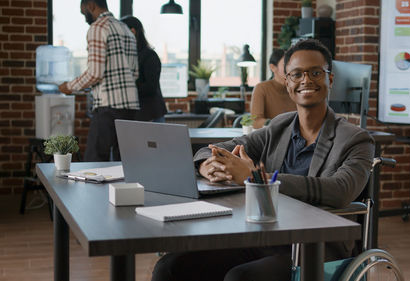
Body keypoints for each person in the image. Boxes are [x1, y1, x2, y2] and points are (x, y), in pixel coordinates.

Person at [151, 39, 375, 281]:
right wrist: (207, 165)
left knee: (242, 278)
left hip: (315, 245)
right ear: (287, 82)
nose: (306, 80)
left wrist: (257, 179)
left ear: (330, 79)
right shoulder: (280, 126)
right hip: (268, 234)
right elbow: (212, 150)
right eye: (296, 74)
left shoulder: (356, 139)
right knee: (170, 267)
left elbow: (340, 190)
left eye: (316, 73)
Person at [58, 0, 139, 162]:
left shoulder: (97, 28)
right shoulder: (125, 29)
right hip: (130, 107)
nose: (84, 17)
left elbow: (95, 73)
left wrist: (69, 87)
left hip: (108, 107)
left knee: (93, 163)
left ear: (91, 5)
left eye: (83, 12)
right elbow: (135, 73)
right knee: (124, 164)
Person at [121, 16, 168, 123]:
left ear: (132, 31)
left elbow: (150, 87)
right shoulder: (129, 56)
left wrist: (125, 90)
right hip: (139, 114)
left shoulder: (149, 55)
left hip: (150, 114)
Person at [250, 48, 297, 129]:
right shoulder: (262, 88)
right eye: (286, 64)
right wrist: (281, 125)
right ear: (273, 67)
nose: (291, 68)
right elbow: (255, 121)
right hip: (272, 137)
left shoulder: (298, 87)